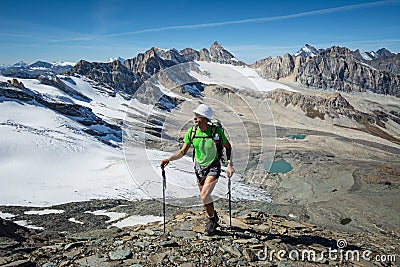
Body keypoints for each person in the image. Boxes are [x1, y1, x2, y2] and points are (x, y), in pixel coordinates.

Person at [160, 104, 235, 235]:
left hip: (213, 166)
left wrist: (229, 164)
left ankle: (211, 221)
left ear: (205, 118)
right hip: (199, 168)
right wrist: (169, 159)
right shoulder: (192, 132)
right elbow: (182, 151)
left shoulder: (216, 132)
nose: (195, 118)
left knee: (204, 196)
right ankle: (213, 216)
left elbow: (228, 147)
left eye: (198, 116)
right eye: (195, 115)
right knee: (205, 198)